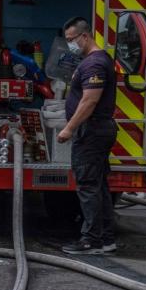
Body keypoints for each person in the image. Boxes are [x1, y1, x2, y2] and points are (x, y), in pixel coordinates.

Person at [57, 17, 118, 255]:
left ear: (85, 36)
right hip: (96, 131)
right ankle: (105, 239)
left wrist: (69, 128)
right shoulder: (94, 62)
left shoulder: (94, 64)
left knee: (88, 185)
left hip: (91, 132)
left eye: (72, 40)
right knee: (99, 185)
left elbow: (89, 100)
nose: (70, 44)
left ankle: (91, 240)